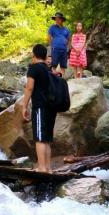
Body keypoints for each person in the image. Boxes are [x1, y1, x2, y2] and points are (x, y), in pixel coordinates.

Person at [22, 44, 56, 173]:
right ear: (45, 56)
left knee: (40, 138)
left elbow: (29, 88)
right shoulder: (48, 70)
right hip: (51, 108)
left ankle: (41, 168)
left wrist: (24, 106)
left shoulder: (34, 69)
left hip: (40, 107)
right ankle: (48, 168)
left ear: (34, 55)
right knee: (46, 139)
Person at [46, 12, 69, 77]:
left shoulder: (66, 29)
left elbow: (68, 39)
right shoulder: (52, 27)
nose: (57, 20)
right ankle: (54, 79)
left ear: (62, 20)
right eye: (56, 19)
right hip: (55, 49)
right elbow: (49, 37)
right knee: (53, 65)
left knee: (63, 66)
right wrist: (51, 47)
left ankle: (61, 80)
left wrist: (67, 48)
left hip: (64, 50)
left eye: (58, 19)